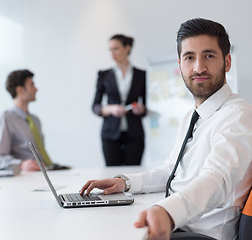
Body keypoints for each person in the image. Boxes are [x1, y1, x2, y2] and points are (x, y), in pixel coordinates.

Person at [80, 18, 252, 240]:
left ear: (227, 62)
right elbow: (171, 171)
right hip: (181, 225)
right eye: (190, 57)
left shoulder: (239, 115)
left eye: (209, 55)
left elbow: (217, 179)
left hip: (202, 235)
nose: (199, 67)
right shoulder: (192, 116)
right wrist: (126, 182)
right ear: (179, 64)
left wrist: (168, 212)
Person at [0, 69, 68, 172]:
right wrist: (21, 165)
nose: (36, 89)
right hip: (27, 179)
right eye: (32, 85)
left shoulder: (35, 120)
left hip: (46, 171)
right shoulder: (4, 120)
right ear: (20, 90)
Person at [92, 34, 147, 166]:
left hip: (135, 133)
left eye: (115, 48)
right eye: (110, 49)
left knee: (134, 173)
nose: (112, 53)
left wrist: (141, 108)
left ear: (127, 48)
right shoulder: (104, 75)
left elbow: (146, 105)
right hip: (110, 134)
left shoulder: (141, 74)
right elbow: (95, 106)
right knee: (112, 175)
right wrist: (111, 109)